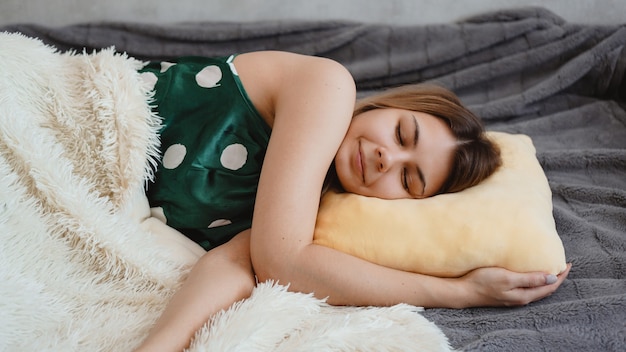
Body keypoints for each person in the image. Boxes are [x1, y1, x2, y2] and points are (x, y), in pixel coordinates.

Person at [134, 51, 571, 352]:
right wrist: (460, 292)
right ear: (389, 105)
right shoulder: (328, 87)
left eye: (408, 178)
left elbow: (237, 263)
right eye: (402, 133)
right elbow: (281, 261)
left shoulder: (311, 208)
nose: (388, 157)